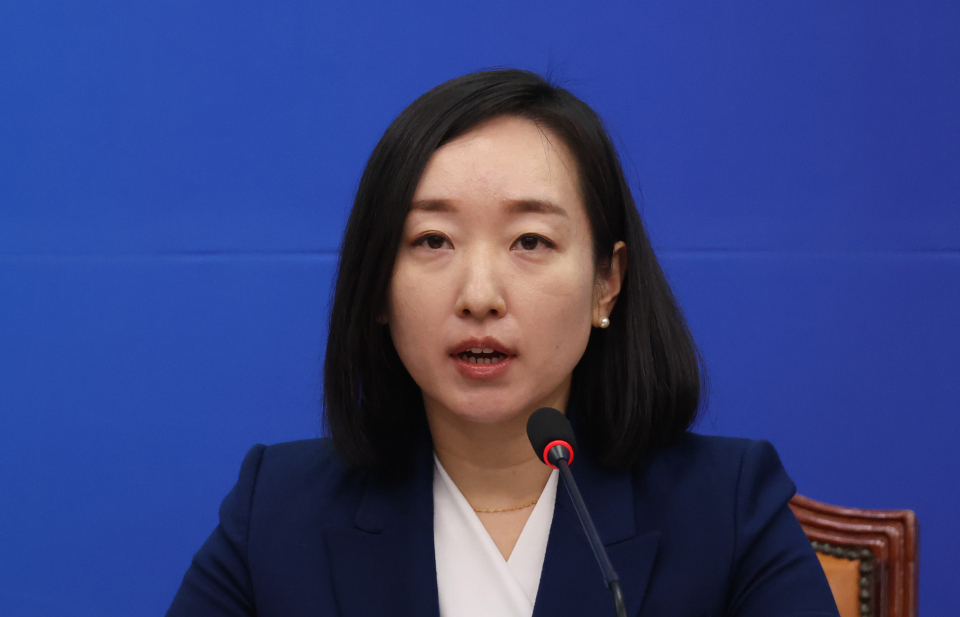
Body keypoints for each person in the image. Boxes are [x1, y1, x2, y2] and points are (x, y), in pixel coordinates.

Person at [166, 69, 839, 617]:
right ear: (377, 287)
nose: (479, 294)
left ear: (606, 283)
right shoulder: (275, 513)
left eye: (531, 241)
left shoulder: (727, 510)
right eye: (433, 240)